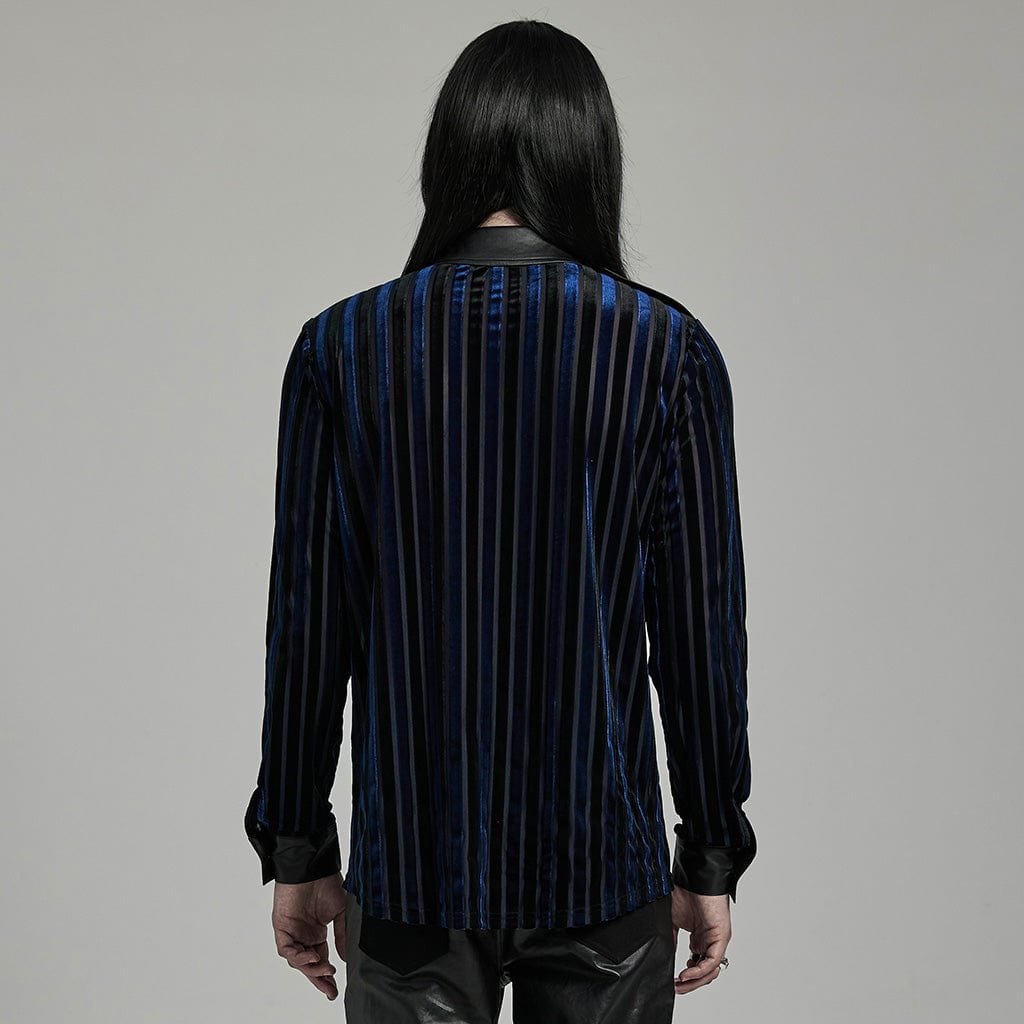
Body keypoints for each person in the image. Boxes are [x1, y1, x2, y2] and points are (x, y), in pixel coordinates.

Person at [244, 17, 757, 1024]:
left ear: (448, 156)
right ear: (589, 159)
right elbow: (700, 631)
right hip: (602, 866)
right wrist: (709, 851)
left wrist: (298, 849)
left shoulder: (341, 349)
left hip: (411, 873)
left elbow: (306, 627)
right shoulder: (665, 350)